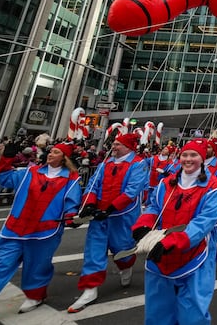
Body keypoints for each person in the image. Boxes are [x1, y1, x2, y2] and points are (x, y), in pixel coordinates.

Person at [131, 138, 217, 324]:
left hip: (195, 255)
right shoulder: (166, 183)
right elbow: (154, 207)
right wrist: (143, 225)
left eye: (194, 155)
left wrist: (174, 241)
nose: (188, 159)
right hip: (161, 256)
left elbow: (203, 223)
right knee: (157, 313)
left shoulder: (213, 187)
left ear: (202, 159)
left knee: (193, 315)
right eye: (185, 154)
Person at [0, 141, 81, 313]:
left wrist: (70, 217)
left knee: (37, 266)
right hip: (15, 229)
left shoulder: (71, 179)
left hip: (45, 231)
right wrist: (6, 158)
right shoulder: (29, 171)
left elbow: (72, 201)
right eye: (50, 151)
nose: (50, 154)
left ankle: (35, 296)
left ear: (64, 158)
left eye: (56, 152)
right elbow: (3, 177)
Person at [68, 132, 149, 313]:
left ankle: (126, 267)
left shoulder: (138, 164)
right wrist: (89, 204)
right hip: (99, 217)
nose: (114, 146)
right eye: (114, 143)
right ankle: (90, 288)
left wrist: (110, 209)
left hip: (122, 216)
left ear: (128, 147)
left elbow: (132, 191)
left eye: (118, 144)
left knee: (123, 248)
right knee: (94, 250)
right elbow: (93, 185)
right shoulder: (106, 164)